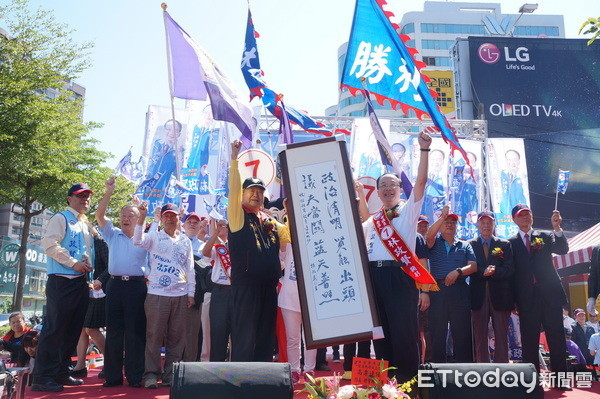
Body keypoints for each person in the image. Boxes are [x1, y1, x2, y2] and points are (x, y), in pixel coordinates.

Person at [361, 131, 433, 383]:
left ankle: (408, 382)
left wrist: (424, 151)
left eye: (393, 185)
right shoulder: (371, 221)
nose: (388, 188)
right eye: (383, 186)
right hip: (375, 278)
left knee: (404, 332)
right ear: (378, 193)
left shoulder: (409, 210)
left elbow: (422, 182)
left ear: (401, 189)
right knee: (380, 333)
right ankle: (385, 384)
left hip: (400, 277)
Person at [227, 140, 290, 362]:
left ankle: (262, 382)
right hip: (246, 285)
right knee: (245, 337)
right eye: (251, 190)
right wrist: (234, 160)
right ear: (243, 194)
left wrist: (293, 209)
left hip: (268, 286)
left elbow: (290, 235)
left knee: (265, 337)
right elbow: (233, 190)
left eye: (259, 191)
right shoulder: (236, 215)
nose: (255, 194)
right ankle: (239, 386)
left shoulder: (269, 219)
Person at [33, 183, 95, 392]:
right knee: (55, 329)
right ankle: (42, 377)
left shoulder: (84, 223)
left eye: (87, 196)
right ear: (69, 198)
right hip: (61, 280)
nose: (84, 199)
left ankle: (62, 370)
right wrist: (72, 263)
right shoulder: (60, 218)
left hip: (80, 282)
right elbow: (49, 245)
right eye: (80, 196)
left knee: (72, 330)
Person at [508, 204, 571, 390]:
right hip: (526, 298)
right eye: (521, 215)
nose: (525, 218)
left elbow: (562, 249)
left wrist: (557, 227)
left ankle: (561, 380)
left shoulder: (544, 235)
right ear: (514, 219)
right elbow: (511, 274)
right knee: (529, 340)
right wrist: (513, 300)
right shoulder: (509, 243)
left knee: (556, 337)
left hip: (550, 294)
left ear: (532, 217)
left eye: (528, 214)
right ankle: (531, 382)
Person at [134, 202, 195, 389]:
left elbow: (190, 268)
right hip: (156, 294)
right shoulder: (154, 236)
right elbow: (137, 241)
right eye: (166, 216)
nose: (170, 219)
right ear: (161, 218)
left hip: (180, 294)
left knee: (177, 338)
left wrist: (191, 293)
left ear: (179, 218)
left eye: (173, 216)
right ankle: (151, 374)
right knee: (154, 336)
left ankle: (170, 376)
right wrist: (142, 217)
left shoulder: (185, 241)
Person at [96, 176, 148, 388]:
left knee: (135, 331)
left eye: (131, 215)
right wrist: (109, 191)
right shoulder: (112, 234)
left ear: (138, 219)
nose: (126, 218)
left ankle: (136, 376)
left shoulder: (145, 236)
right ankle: (113, 376)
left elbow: (147, 223)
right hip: (115, 286)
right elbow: (99, 215)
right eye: (123, 215)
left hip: (137, 287)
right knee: (114, 331)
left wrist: (143, 213)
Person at [426, 205, 477, 363]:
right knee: (437, 332)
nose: (449, 224)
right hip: (437, 290)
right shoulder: (433, 243)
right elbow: (428, 236)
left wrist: (458, 271)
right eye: (446, 221)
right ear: (440, 225)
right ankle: (437, 369)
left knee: (461, 332)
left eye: (452, 222)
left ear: (457, 226)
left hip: (459, 290)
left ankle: (464, 370)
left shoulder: (465, 245)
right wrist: (442, 216)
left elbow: (473, 266)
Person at [468, 211, 514, 363]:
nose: (486, 225)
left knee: (501, 334)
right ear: (478, 225)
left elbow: (509, 269)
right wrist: (483, 271)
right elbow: (469, 267)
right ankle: (482, 368)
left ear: (494, 225)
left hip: (500, 295)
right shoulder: (470, 244)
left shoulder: (504, 244)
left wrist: (495, 271)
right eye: (483, 222)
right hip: (478, 295)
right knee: (479, 335)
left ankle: (502, 368)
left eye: (489, 223)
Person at [71, 227, 109, 379]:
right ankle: (80, 365)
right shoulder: (78, 245)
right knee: (81, 328)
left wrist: (99, 280)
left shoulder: (100, 242)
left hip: (100, 290)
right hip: (83, 289)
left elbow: (110, 266)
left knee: (91, 328)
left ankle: (110, 362)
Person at [278, 241, 317, 384]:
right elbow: (281, 250)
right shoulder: (288, 244)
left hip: (311, 300)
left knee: (310, 339)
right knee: (292, 338)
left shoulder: (316, 244)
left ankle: (309, 370)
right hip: (289, 298)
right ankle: (294, 370)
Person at [203, 219, 233, 362]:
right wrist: (215, 232)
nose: (226, 228)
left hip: (237, 293)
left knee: (238, 333)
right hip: (220, 292)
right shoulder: (219, 247)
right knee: (218, 332)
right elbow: (205, 252)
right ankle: (216, 369)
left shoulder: (242, 245)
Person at [181, 212, 204, 362]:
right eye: (189, 221)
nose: (192, 224)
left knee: (192, 331)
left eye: (196, 222)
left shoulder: (203, 246)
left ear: (200, 226)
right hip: (174, 290)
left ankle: (190, 363)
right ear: (182, 225)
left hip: (194, 293)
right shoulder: (177, 241)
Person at [499, 150, 527, 214]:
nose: (512, 162)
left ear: (519, 161)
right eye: (509, 160)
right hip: (504, 213)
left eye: (514, 159)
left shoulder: (523, 177)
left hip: (519, 212)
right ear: (506, 161)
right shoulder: (502, 175)